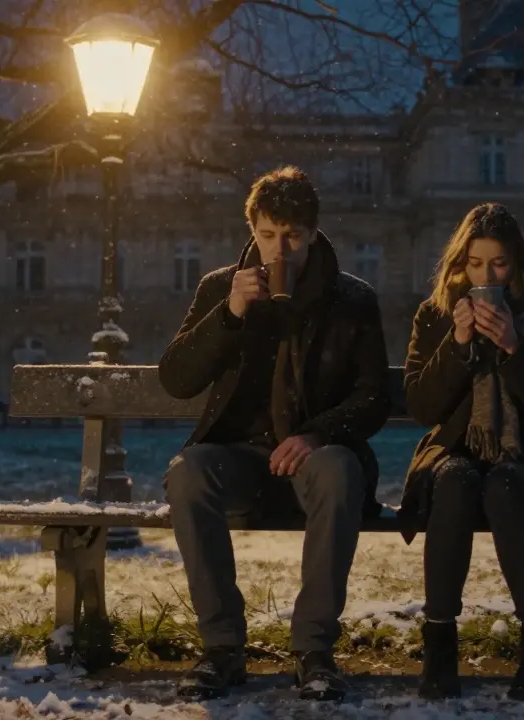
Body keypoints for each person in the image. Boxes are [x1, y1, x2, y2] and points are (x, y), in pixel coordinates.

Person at [158, 166, 391, 702]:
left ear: (312, 232)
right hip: (238, 459)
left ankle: (313, 651)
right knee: (187, 473)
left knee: (339, 470)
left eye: (290, 236)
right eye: (266, 236)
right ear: (252, 231)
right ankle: (222, 648)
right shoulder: (222, 288)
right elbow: (176, 379)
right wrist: (230, 315)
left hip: (314, 459)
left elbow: (375, 397)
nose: (277, 249)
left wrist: (314, 435)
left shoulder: (351, 299)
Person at [397, 202, 524, 701]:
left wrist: (514, 349)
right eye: (475, 264)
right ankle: (439, 649)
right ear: (460, 265)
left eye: (498, 264)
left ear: (518, 263)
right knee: (456, 481)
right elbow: (422, 405)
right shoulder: (436, 314)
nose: (487, 275)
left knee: (506, 484)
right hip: (453, 452)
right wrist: (458, 343)